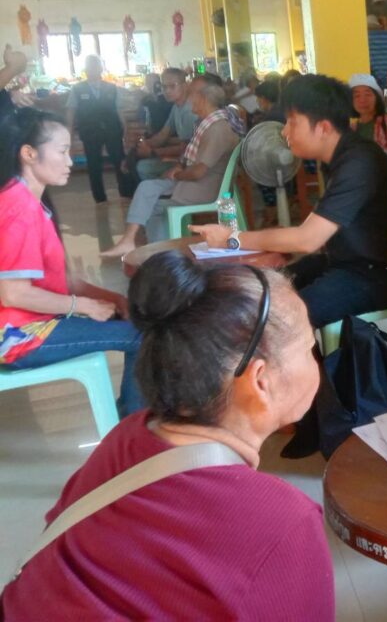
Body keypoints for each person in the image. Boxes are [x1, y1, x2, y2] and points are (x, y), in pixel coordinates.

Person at [0, 252, 334, 620]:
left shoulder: (127, 435)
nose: (315, 359)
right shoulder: (283, 523)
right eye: (309, 348)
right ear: (261, 381)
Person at [192, 74, 387, 330]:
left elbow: (307, 239)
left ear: (323, 128)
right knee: (263, 288)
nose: (284, 131)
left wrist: (231, 239)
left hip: (375, 275)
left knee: (280, 319)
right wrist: (277, 247)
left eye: (292, 122)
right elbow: (317, 232)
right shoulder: (341, 156)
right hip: (342, 262)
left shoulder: (359, 162)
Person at [0, 107, 142, 415]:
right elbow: (13, 294)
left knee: (139, 321)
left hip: (35, 321)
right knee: (142, 336)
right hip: (17, 335)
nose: (69, 161)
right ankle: (132, 426)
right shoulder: (18, 208)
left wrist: (113, 299)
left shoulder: (30, 201)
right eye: (62, 151)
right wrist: (84, 306)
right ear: (29, 153)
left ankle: (133, 418)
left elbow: (63, 280)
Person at [101, 74, 241, 257]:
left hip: (203, 189)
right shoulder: (210, 123)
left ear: (203, 98)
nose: (189, 100)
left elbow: (198, 172)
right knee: (147, 189)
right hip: (198, 184)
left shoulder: (217, 128)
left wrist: (176, 175)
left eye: (192, 94)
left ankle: (159, 253)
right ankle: (144, 246)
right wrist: (179, 168)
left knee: (152, 203)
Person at [66, 55, 132, 203]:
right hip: (89, 132)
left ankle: (126, 192)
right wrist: (69, 137)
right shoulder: (77, 89)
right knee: (93, 164)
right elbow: (71, 112)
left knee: (119, 160)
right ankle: (100, 198)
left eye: (96, 66)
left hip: (112, 130)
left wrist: (125, 128)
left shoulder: (112, 88)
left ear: (101, 68)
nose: (93, 69)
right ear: (85, 69)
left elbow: (119, 110)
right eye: (90, 66)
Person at [132, 67, 198, 181]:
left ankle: (169, 189)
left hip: (192, 163)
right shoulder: (176, 107)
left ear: (184, 86)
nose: (167, 91)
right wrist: (142, 144)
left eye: (172, 86)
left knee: (143, 167)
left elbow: (186, 148)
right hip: (183, 158)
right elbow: (162, 136)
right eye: (164, 87)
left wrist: (152, 152)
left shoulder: (190, 110)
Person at [349, 73, 387, 155]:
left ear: (377, 97)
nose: (362, 100)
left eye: (368, 94)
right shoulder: (349, 130)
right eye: (357, 96)